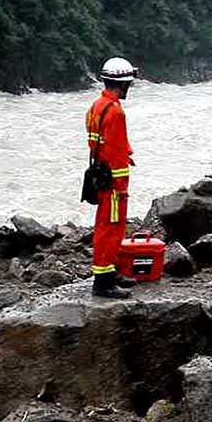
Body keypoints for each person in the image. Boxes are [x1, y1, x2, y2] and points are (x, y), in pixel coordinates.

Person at [85, 57, 138, 299]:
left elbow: (100, 142)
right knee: (111, 228)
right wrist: (121, 185)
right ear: (123, 84)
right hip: (114, 182)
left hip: (101, 173)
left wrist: (126, 153)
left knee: (106, 225)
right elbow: (114, 152)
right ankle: (103, 281)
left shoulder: (97, 106)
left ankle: (110, 272)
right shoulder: (115, 111)